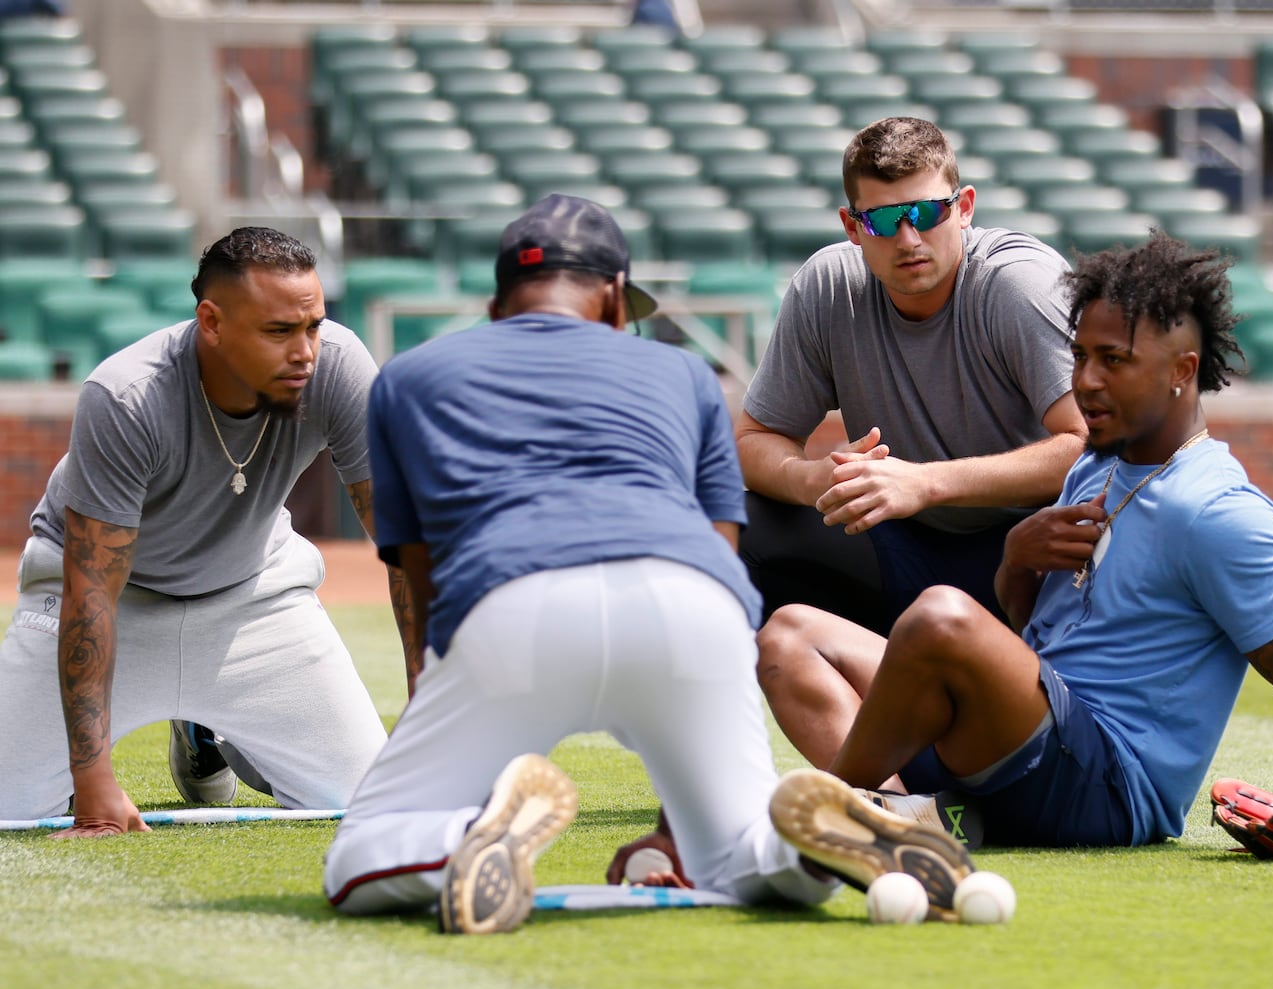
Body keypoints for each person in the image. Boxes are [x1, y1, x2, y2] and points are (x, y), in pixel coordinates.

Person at [322, 194, 974, 933]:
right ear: (608, 294)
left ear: (501, 300)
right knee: (733, 854)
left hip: (515, 603)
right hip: (692, 604)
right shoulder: (684, 373)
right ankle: (799, 844)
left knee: (360, 857)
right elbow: (726, 548)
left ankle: (462, 840)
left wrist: (438, 697)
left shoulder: (409, 376)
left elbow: (421, 568)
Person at [753, 231, 1273, 851]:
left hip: (1111, 786)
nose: (1085, 381)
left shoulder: (1219, 510)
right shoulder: (1095, 466)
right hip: (1035, 745)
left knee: (940, 617)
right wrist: (1017, 557)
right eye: (1080, 356)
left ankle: (829, 824)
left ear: (1182, 372)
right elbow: (1029, 635)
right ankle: (913, 826)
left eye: (1114, 361)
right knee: (789, 636)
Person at [0, 227, 420, 835]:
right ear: (212, 322)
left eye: (313, 326)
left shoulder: (337, 365)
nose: (304, 351)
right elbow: (90, 589)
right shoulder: (126, 396)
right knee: (9, 807)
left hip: (253, 598)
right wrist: (93, 784)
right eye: (278, 331)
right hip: (112, 602)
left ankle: (213, 731)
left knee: (368, 799)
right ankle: (178, 720)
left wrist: (430, 715)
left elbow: (404, 544)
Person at [736, 116, 1088, 637]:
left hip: (1029, 557)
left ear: (964, 208)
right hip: (897, 543)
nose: (909, 239)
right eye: (882, 220)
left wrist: (925, 483)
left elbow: (1092, 447)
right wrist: (810, 480)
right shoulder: (828, 286)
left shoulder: (1017, 284)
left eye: (926, 213)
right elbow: (753, 439)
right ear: (852, 227)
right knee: (737, 527)